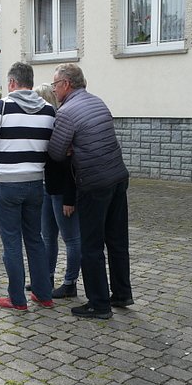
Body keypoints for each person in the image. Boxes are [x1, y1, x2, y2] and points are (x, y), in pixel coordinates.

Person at [47, 63, 132, 319]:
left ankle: (99, 304)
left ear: (66, 84)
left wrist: (70, 148)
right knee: (117, 241)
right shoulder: (98, 102)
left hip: (94, 184)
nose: (54, 90)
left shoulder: (66, 112)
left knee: (91, 246)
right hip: (118, 177)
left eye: (55, 84)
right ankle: (122, 294)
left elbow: (56, 152)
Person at [0, 62, 55, 310]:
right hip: (35, 182)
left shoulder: (2, 106)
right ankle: (44, 294)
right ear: (30, 82)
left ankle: (17, 299)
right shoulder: (49, 110)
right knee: (35, 240)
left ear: (12, 82)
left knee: (11, 242)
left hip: (7, 184)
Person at [37, 82, 80, 299]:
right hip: (47, 188)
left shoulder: (60, 124)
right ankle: (46, 278)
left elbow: (70, 165)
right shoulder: (43, 124)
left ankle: (70, 283)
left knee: (70, 238)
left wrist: (69, 198)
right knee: (47, 236)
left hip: (62, 191)